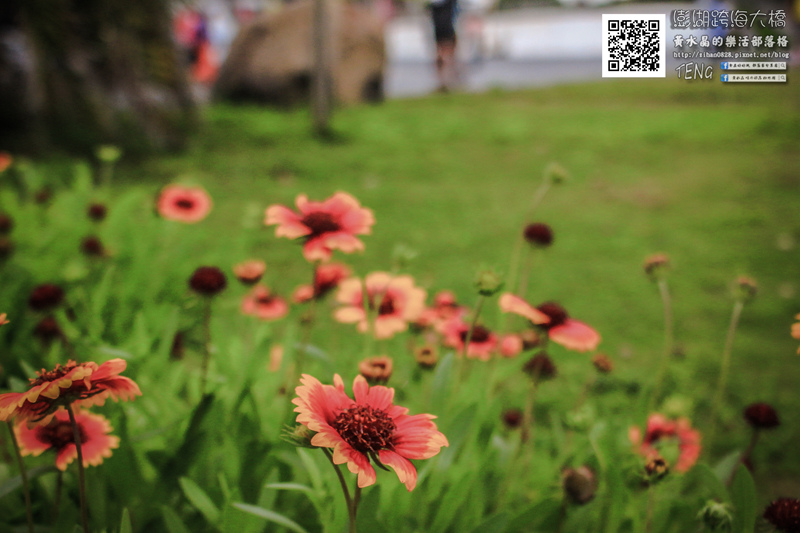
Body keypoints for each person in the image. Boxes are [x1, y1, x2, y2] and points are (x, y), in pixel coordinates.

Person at [429, 0, 458, 91]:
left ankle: (443, 81)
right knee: (447, 55)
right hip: (447, 28)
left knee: (441, 54)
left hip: (439, 29)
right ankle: (447, 81)